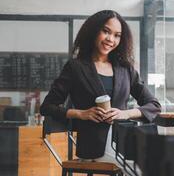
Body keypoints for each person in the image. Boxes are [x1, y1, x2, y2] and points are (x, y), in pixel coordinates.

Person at [40, 10, 161, 160]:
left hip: (124, 144)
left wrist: (125, 113)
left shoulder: (126, 69)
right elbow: (47, 107)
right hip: (92, 147)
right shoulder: (75, 67)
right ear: (93, 31)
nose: (111, 39)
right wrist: (82, 114)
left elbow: (154, 105)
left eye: (117, 35)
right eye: (106, 31)